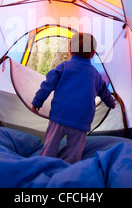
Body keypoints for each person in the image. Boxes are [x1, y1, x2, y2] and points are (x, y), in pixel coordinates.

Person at [31, 32, 115, 164]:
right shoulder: (96, 75)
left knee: (49, 149)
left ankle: (44, 166)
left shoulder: (63, 67)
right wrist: (111, 103)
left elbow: (47, 85)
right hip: (81, 122)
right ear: (93, 53)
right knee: (74, 155)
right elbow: (105, 93)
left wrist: (37, 101)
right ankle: (70, 171)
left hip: (59, 117)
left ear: (70, 50)